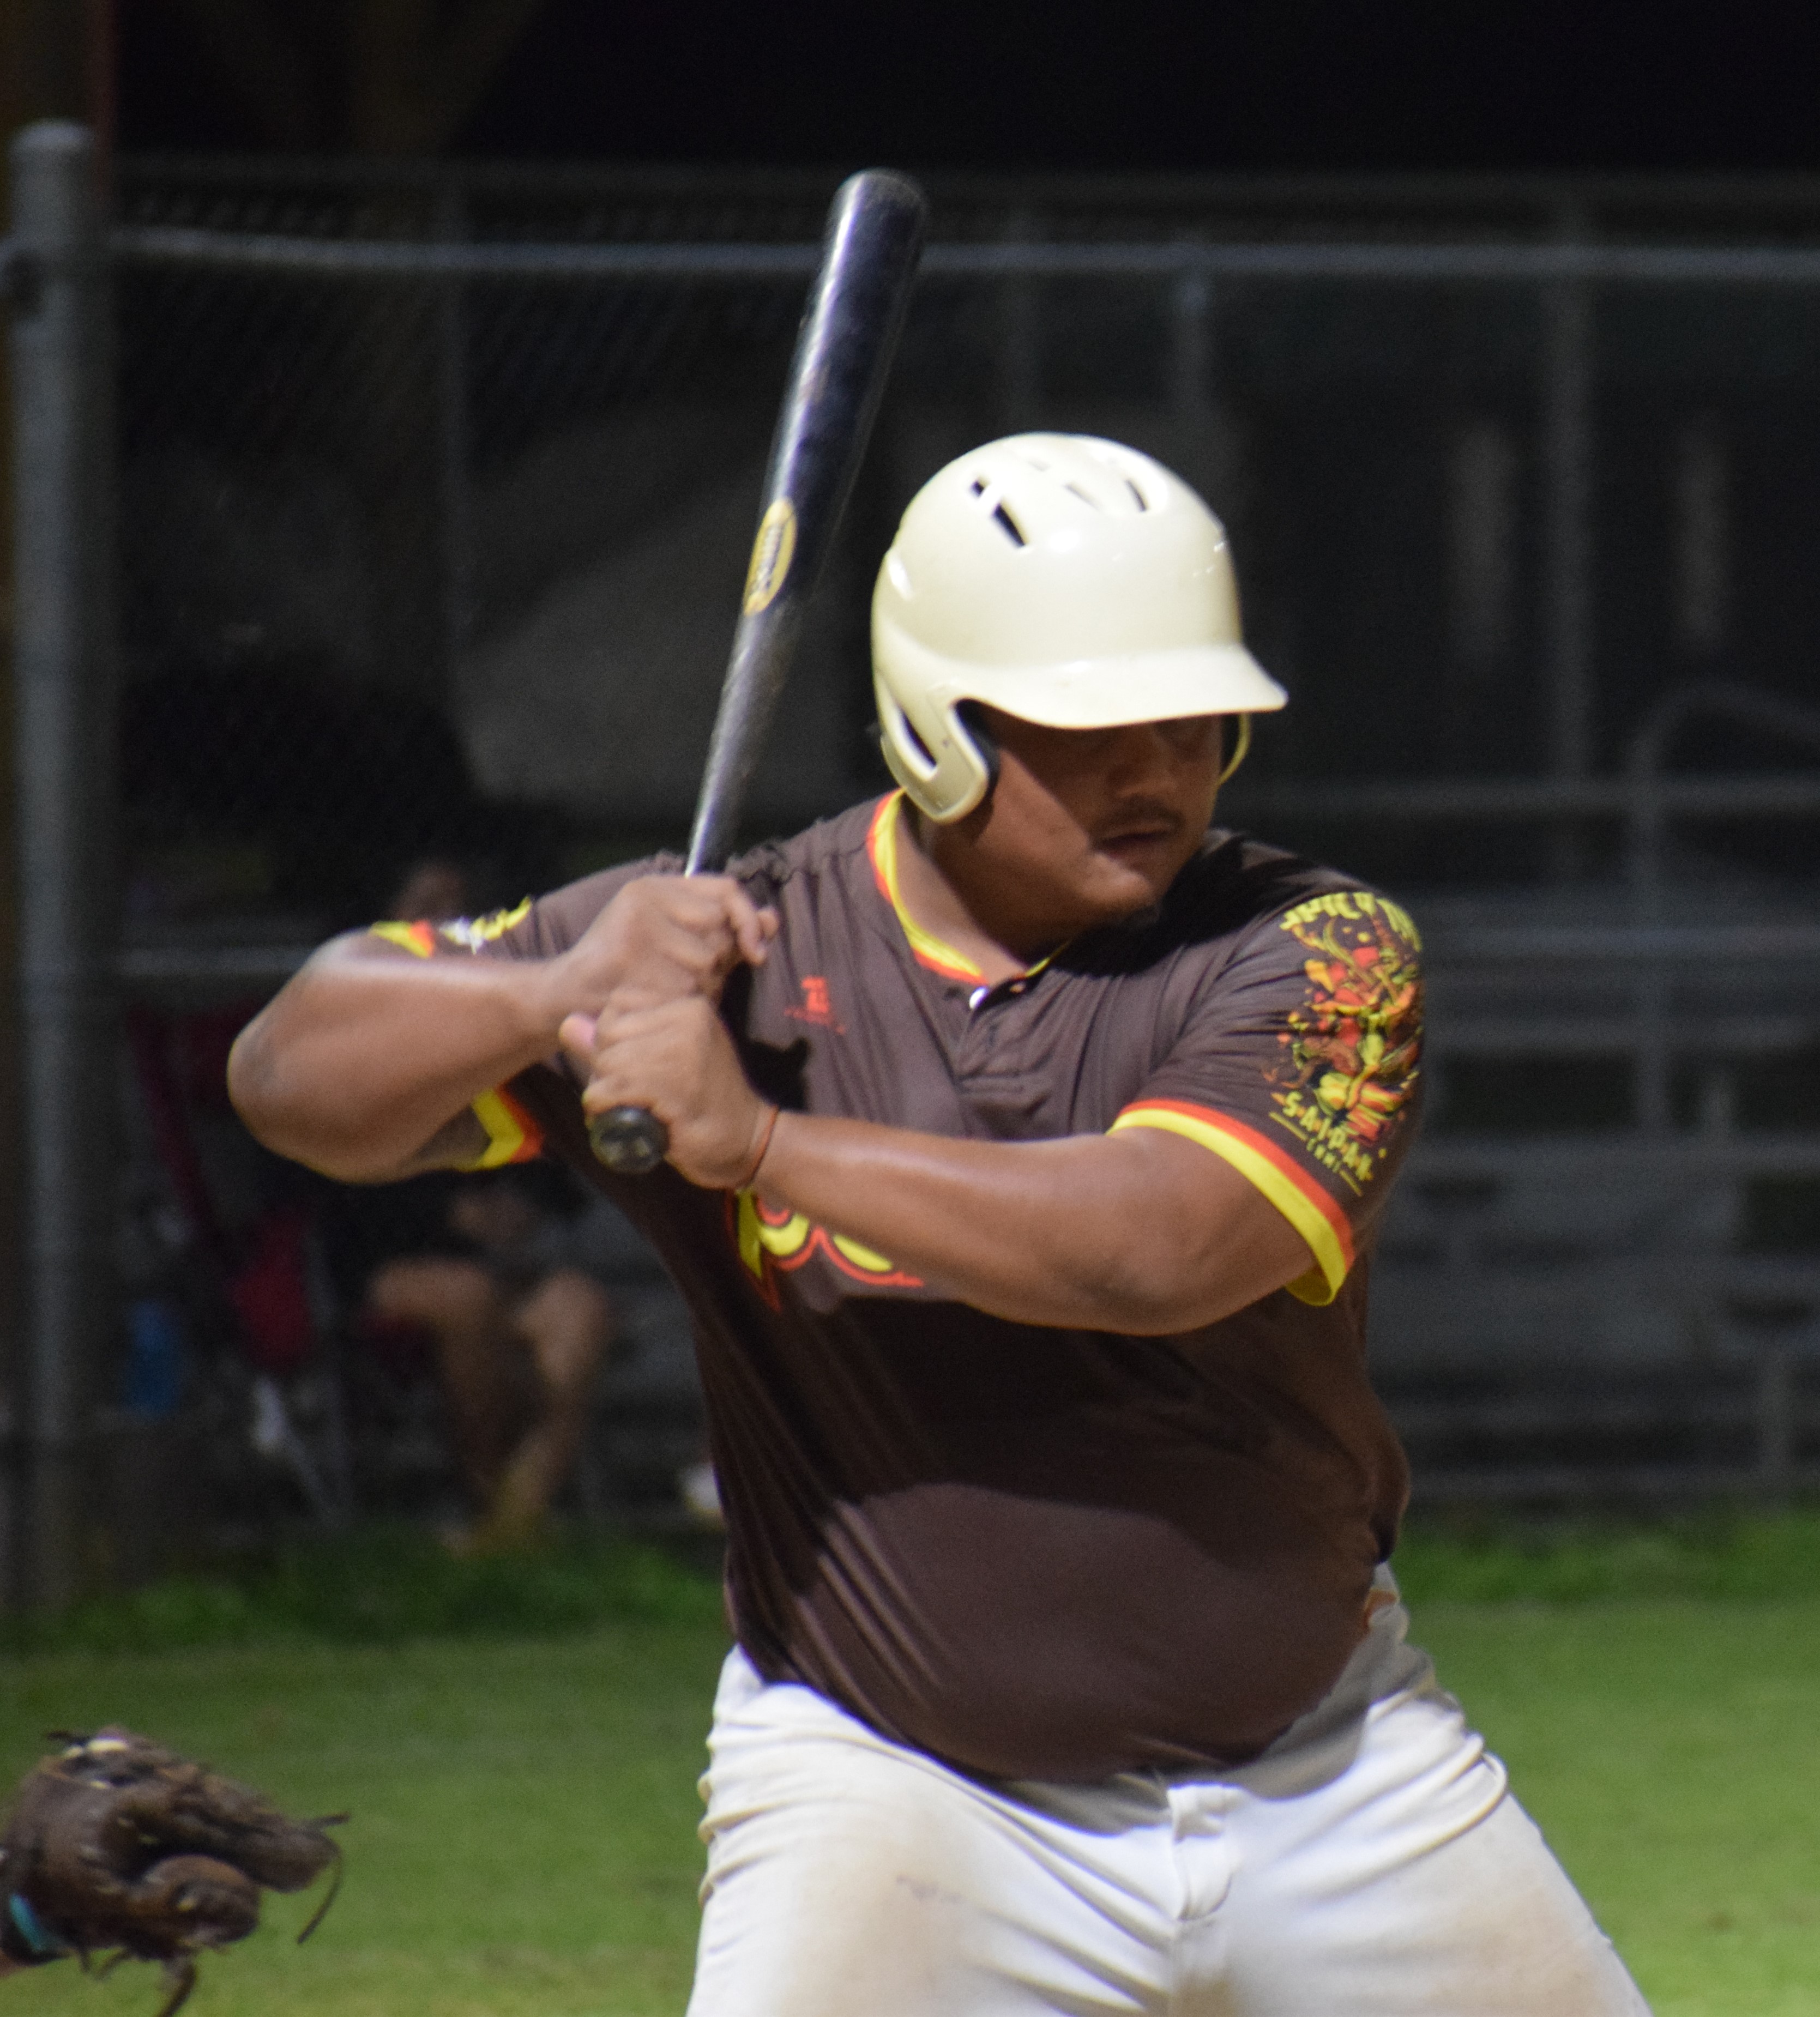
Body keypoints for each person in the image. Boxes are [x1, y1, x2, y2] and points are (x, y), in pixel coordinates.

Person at [227, 435, 1648, 2015]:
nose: (1160, 764)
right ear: (938, 725)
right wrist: (552, 989)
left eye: (1195, 716)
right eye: (1093, 724)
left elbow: (1155, 1245)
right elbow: (290, 1078)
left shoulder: (1309, 950)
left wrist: (759, 1139)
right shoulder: (744, 942)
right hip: (898, 1784)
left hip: (1329, 1767)